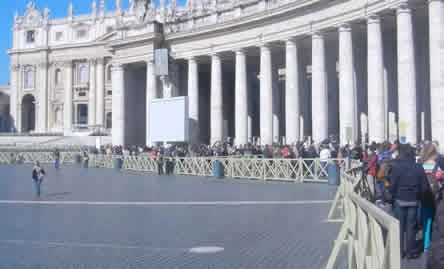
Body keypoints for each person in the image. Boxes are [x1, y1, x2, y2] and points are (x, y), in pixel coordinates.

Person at [388, 144, 428, 259]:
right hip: (413, 201)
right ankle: (410, 252)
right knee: (411, 227)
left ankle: (400, 252)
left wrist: (393, 194)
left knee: (399, 227)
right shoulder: (418, 167)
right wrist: (419, 197)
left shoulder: (397, 167)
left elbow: (392, 185)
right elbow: (424, 186)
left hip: (400, 200)